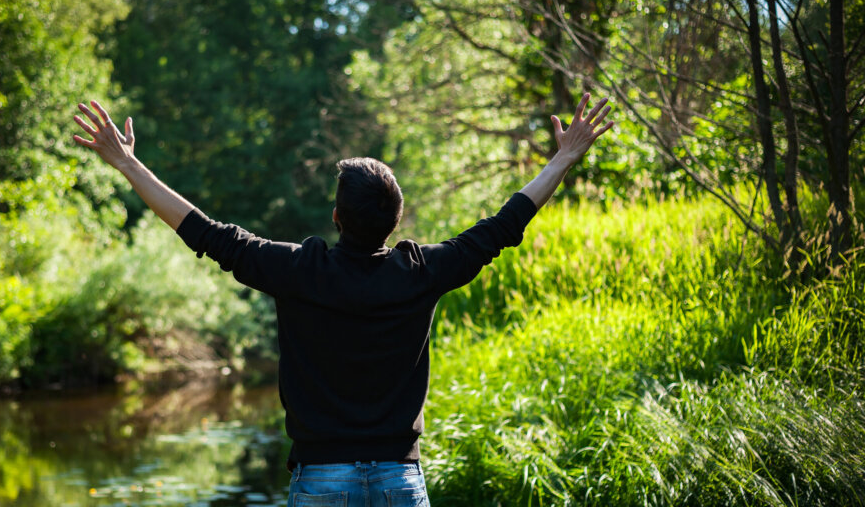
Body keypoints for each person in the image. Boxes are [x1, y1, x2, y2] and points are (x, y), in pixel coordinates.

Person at [72, 93, 613, 507]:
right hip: (399, 481)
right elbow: (503, 225)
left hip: (321, 480)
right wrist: (562, 159)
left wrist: (128, 165)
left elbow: (206, 232)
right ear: (395, 220)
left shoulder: (298, 270)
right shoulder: (421, 272)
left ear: (336, 218)